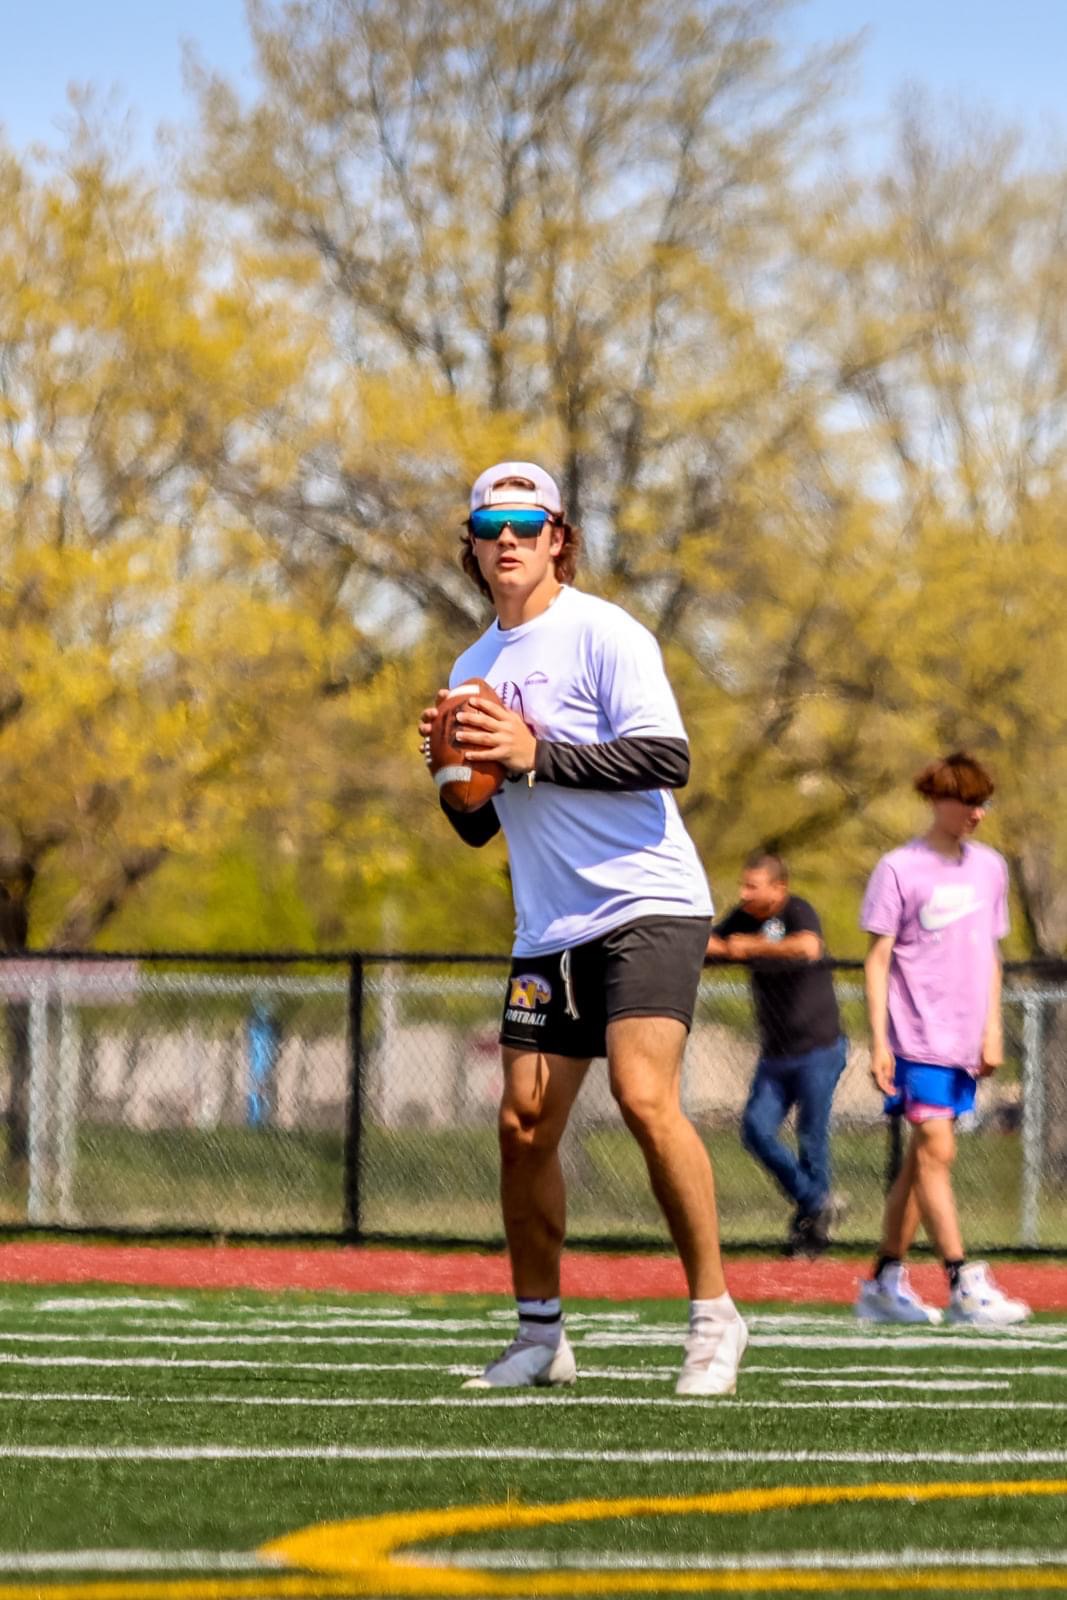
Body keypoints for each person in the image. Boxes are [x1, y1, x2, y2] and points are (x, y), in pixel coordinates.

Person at [418, 460, 747, 1396]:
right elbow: (483, 825)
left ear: (559, 536)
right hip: (547, 924)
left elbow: (666, 756)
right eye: (493, 526)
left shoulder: (604, 631)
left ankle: (714, 1317)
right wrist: (452, 778)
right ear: (474, 547)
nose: (510, 539)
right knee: (521, 1128)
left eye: (529, 523)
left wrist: (531, 751)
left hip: (646, 901)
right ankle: (539, 1338)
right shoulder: (471, 667)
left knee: (646, 1099)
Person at [855, 752, 1030, 1326]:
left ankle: (883, 1281)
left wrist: (992, 1027)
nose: (979, 813)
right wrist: (879, 1042)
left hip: (963, 1039)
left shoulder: (991, 868)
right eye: (968, 802)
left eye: (984, 802)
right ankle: (962, 1282)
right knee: (939, 1151)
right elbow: (878, 960)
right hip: (916, 1037)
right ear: (938, 800)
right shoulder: (899, 868)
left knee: (922, 1160)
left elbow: (990, 955)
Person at [705, 852, 846, 1257]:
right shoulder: (742, 917)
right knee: (755, 1130)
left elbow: (808, 946)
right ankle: (816, 1203)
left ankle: (812, 1236)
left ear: (778, 887)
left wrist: (753, 947)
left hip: (819, 1049)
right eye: (742, 885)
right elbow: (717, 944)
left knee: (811, 1137)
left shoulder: (797, 910)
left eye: (753, 886)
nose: (744, 893)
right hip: (776, 1054)